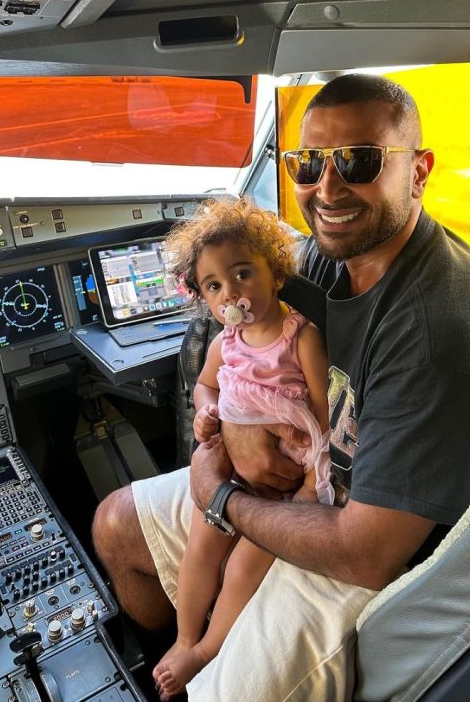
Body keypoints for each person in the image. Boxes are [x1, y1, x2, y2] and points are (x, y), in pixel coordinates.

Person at [92, 73, 470, 700]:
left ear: (419, 172)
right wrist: (234, 427)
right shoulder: (332, 252)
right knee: (115, 524)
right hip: (303, 475)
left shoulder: (439, 333)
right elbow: (245, 328)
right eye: (307, 164)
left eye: (358, 161)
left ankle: (205, 668)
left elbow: (366, 553)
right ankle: (179, 658)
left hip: (373, 545)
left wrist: (222, 498)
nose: (327, 188)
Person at [151, 197, 334, 699]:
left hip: (288, 483)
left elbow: (324, 414)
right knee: (201, 548)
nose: (230, 293)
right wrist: (208, 411)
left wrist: (309, 479)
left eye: (242, 274)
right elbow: (205, 387)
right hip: (231, 470)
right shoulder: (224, 344)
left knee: (241, 568)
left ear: (275, 274)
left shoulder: (302, 339)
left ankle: (208, 649)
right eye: (214, 286)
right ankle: (185, 638)